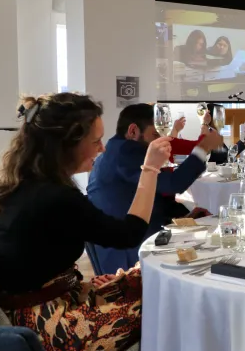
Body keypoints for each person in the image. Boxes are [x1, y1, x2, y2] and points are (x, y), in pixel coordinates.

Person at [0, 94, 171, 351]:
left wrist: (72, 282)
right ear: (66, 145)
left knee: (149, 279)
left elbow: (34, 265)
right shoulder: (55, 197)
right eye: (96, 141)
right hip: (53, 334)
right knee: (170, 301)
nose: (102, 149)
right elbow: (129, 234)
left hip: (40, 311)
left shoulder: (24, 186)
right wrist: (151, 168)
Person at [87, 103, 222, 274]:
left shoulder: (117, 149)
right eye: (154, 134)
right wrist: (203, 148)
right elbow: (173, 183)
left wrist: (182, 218)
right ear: (133, 131)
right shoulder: (126, 152)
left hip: (133, 237)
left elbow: (150, 193)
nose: (158, 140)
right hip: (128, 254)